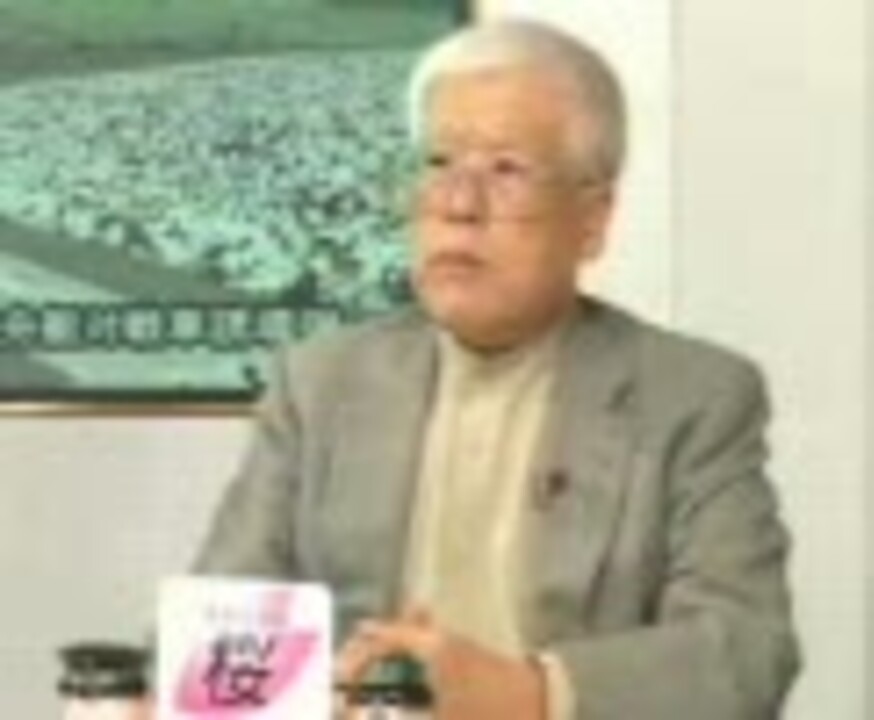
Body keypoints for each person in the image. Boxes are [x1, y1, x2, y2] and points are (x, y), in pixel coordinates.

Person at [193, 18, 800, 720]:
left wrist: (532, 694)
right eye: (438, 164)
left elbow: (744, 651)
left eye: (506, 170)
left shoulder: (692, 398)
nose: (459, 206)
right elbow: (220, 627)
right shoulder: (321, 384)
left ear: (592, 219)